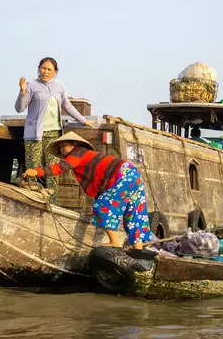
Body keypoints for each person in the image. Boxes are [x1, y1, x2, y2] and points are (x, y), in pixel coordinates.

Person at [22, 132, 153, 250]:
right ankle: (138, 250)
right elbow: (101, 184)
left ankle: (114, 242)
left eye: (64, 145)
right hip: (132, 174)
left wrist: (37, 171)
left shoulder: (77, 154)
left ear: (75, 144)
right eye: (60, 148)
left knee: (103, 206)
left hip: (122, 175)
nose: (61, 150)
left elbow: (60, 168)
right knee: (134, 212)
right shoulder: (85, 156)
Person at [15, 57, 93, 199]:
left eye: (49, 69)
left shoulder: (59, 86)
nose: (45, 71)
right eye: (43, 68)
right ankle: (32, 200)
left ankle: (52, 201)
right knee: (33, 168)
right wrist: (22, 92)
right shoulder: (31, 85)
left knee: (52, 169)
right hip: (34, 135)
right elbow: (20, 108)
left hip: (54, 133)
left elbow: (67, 105)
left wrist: (83, 120)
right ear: (38, 69)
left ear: (55, 72)